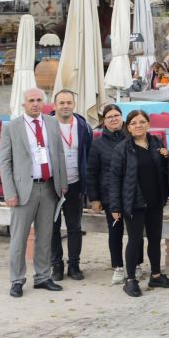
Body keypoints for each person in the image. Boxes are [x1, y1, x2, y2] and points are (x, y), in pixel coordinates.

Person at [0, 88, 67, 297]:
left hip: (49, 187)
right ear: (24, 104)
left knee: (45, 236)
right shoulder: (11, 127)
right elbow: (5, 162)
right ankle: (17, 280)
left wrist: (62, 182)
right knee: (18, 238)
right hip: (22, 191)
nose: (35, 104)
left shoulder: (52, 123)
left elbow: (59, 154)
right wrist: (9, 192)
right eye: (31, 100)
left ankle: (43, 277)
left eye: (38, 100)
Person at [107, 110, 169, 296]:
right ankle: (130, 280)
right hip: (134, 203)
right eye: (133, 123)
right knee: (135, 240)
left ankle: (156, 276)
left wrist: (167, 157)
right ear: (128, 127)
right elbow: (114, 179)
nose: (138, 125)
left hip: (155, 200)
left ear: (148, 124)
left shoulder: (156, 143)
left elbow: (164, 171)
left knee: (155, 239)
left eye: (142, 122)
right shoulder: (122, 149)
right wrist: (115, 206)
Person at [46, 89, 94, 282]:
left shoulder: (83, 127)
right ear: (55, 105)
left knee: (74, 227)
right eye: (62, 103)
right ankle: (56, 265)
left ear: (74, 105)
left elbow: (89, 155)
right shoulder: (46, 125)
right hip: (51, 185)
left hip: (75, 184)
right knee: (53, 227)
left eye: (69, 103)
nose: (65, 106)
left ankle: (74, 265)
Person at [86, 104, 129, 284]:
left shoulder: (132, 137)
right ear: (104, 120)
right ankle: (118, 266)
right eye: (109, 116)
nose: (114, 119)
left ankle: (136, 264)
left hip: (133, 193)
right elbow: (92, 172)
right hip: (110, 195)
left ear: (122, 117)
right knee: (115, 233)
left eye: (116, 115)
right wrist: (94, 198)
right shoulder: (98, 144)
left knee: (135, 233)